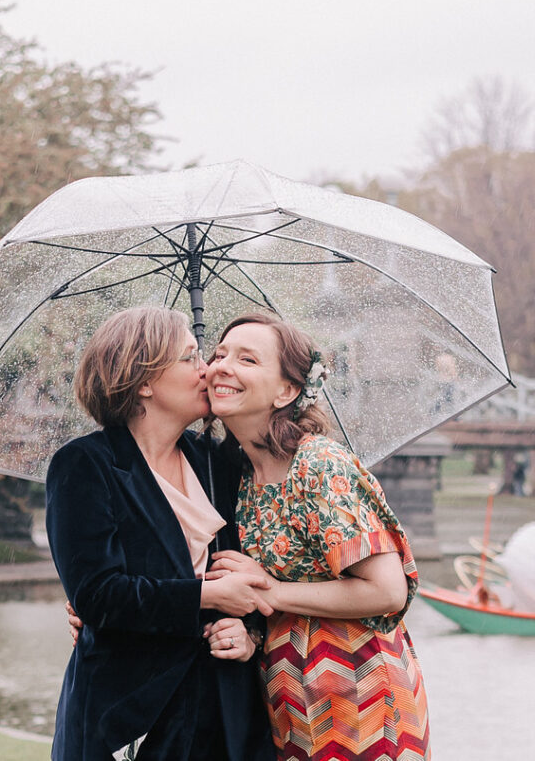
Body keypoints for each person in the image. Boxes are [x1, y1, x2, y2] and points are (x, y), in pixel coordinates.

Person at [45, 306, 275, 761]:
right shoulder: (84, 466)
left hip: (223, 717)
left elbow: (261, 572)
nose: (207, 369)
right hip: (128, 717)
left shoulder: (217, 461)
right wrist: (207, 596)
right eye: (190, 357)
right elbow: (98, 595)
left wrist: (250, 633)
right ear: (145, 381)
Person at [204, 313, 431, 761]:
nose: (222, 366)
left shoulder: (319, 465)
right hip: (287, 697)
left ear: (286, 391)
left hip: (360, 693)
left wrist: (272, 590)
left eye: (247, 359)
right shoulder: (240, 474)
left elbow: (386, 589)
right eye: (219, 354)